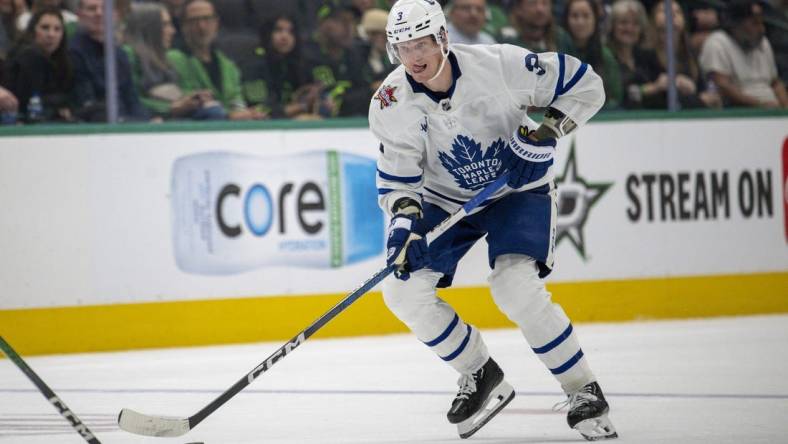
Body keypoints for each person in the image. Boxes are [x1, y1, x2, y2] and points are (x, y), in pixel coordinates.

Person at [370, 0, 617, 441]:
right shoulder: (390, 102)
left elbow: (587, 86)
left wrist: (544, 134)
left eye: (421, 43)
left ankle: (583, 389)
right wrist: (404, 229)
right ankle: (479, 373)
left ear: (443, 38)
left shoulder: (501, 64)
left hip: (516, 190)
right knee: (401, 290)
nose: (413, 58)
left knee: (513, 286)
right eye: (402, 48)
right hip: (445, 200)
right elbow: (399, 185)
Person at [167, 0, 265, 120]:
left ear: (216, 23)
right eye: (194, 21)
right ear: (183, 26)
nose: (201, 26)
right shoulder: (173, 59)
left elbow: (236, 99)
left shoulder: (228, 65)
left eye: (207, 19)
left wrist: (244, 112)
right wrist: (229, 115)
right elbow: (181, 98)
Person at [123, 2, 223, 120]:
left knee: (213, 110)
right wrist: (170, 108)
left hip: (171, 117)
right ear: (149, 28)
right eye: (165, 25)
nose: (172, 31)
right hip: (148, 120)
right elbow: (129, 100)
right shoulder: (128, 55)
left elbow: (173, 92)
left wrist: (192, 98)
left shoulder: (166, 58)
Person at [68, 0, 148, 121]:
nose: (99, 13)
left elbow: (132, 99)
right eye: (91, 9)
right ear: (80, 15)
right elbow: (88, 106)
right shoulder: (74, 53)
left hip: (127, 125)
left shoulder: (120, 55)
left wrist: (145, 122)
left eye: (105, 8)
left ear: (115, 15)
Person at [699, 0, 788, 108]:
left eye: (762, 23)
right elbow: (722, 86)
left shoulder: (762, 42)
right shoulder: (717, 42)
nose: (762, 29)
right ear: (736, 24)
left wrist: (785, 109)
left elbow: (775, 83)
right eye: (755, 23)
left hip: (771, 110)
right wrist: (761, 106)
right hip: (740, 113)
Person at [5, 7, 74, 122]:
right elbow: (32, 102)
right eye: (45, 28)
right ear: (33, 30)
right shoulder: (29, 56)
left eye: (57, 29)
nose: (51, 34)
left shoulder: (63, 61)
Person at [560, 0, 622, 109]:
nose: (580, 22)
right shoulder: (557, 53)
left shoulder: (605, 56)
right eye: (575, 16)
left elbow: (616, 98)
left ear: (595, 20)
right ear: (566, 20)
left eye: (586, 16)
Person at [498, 0, 571, 52]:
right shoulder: (506, 38)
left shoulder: (561, 38)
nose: (540, 9)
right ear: (518, 8)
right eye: (532, 3)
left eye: (545, 3)